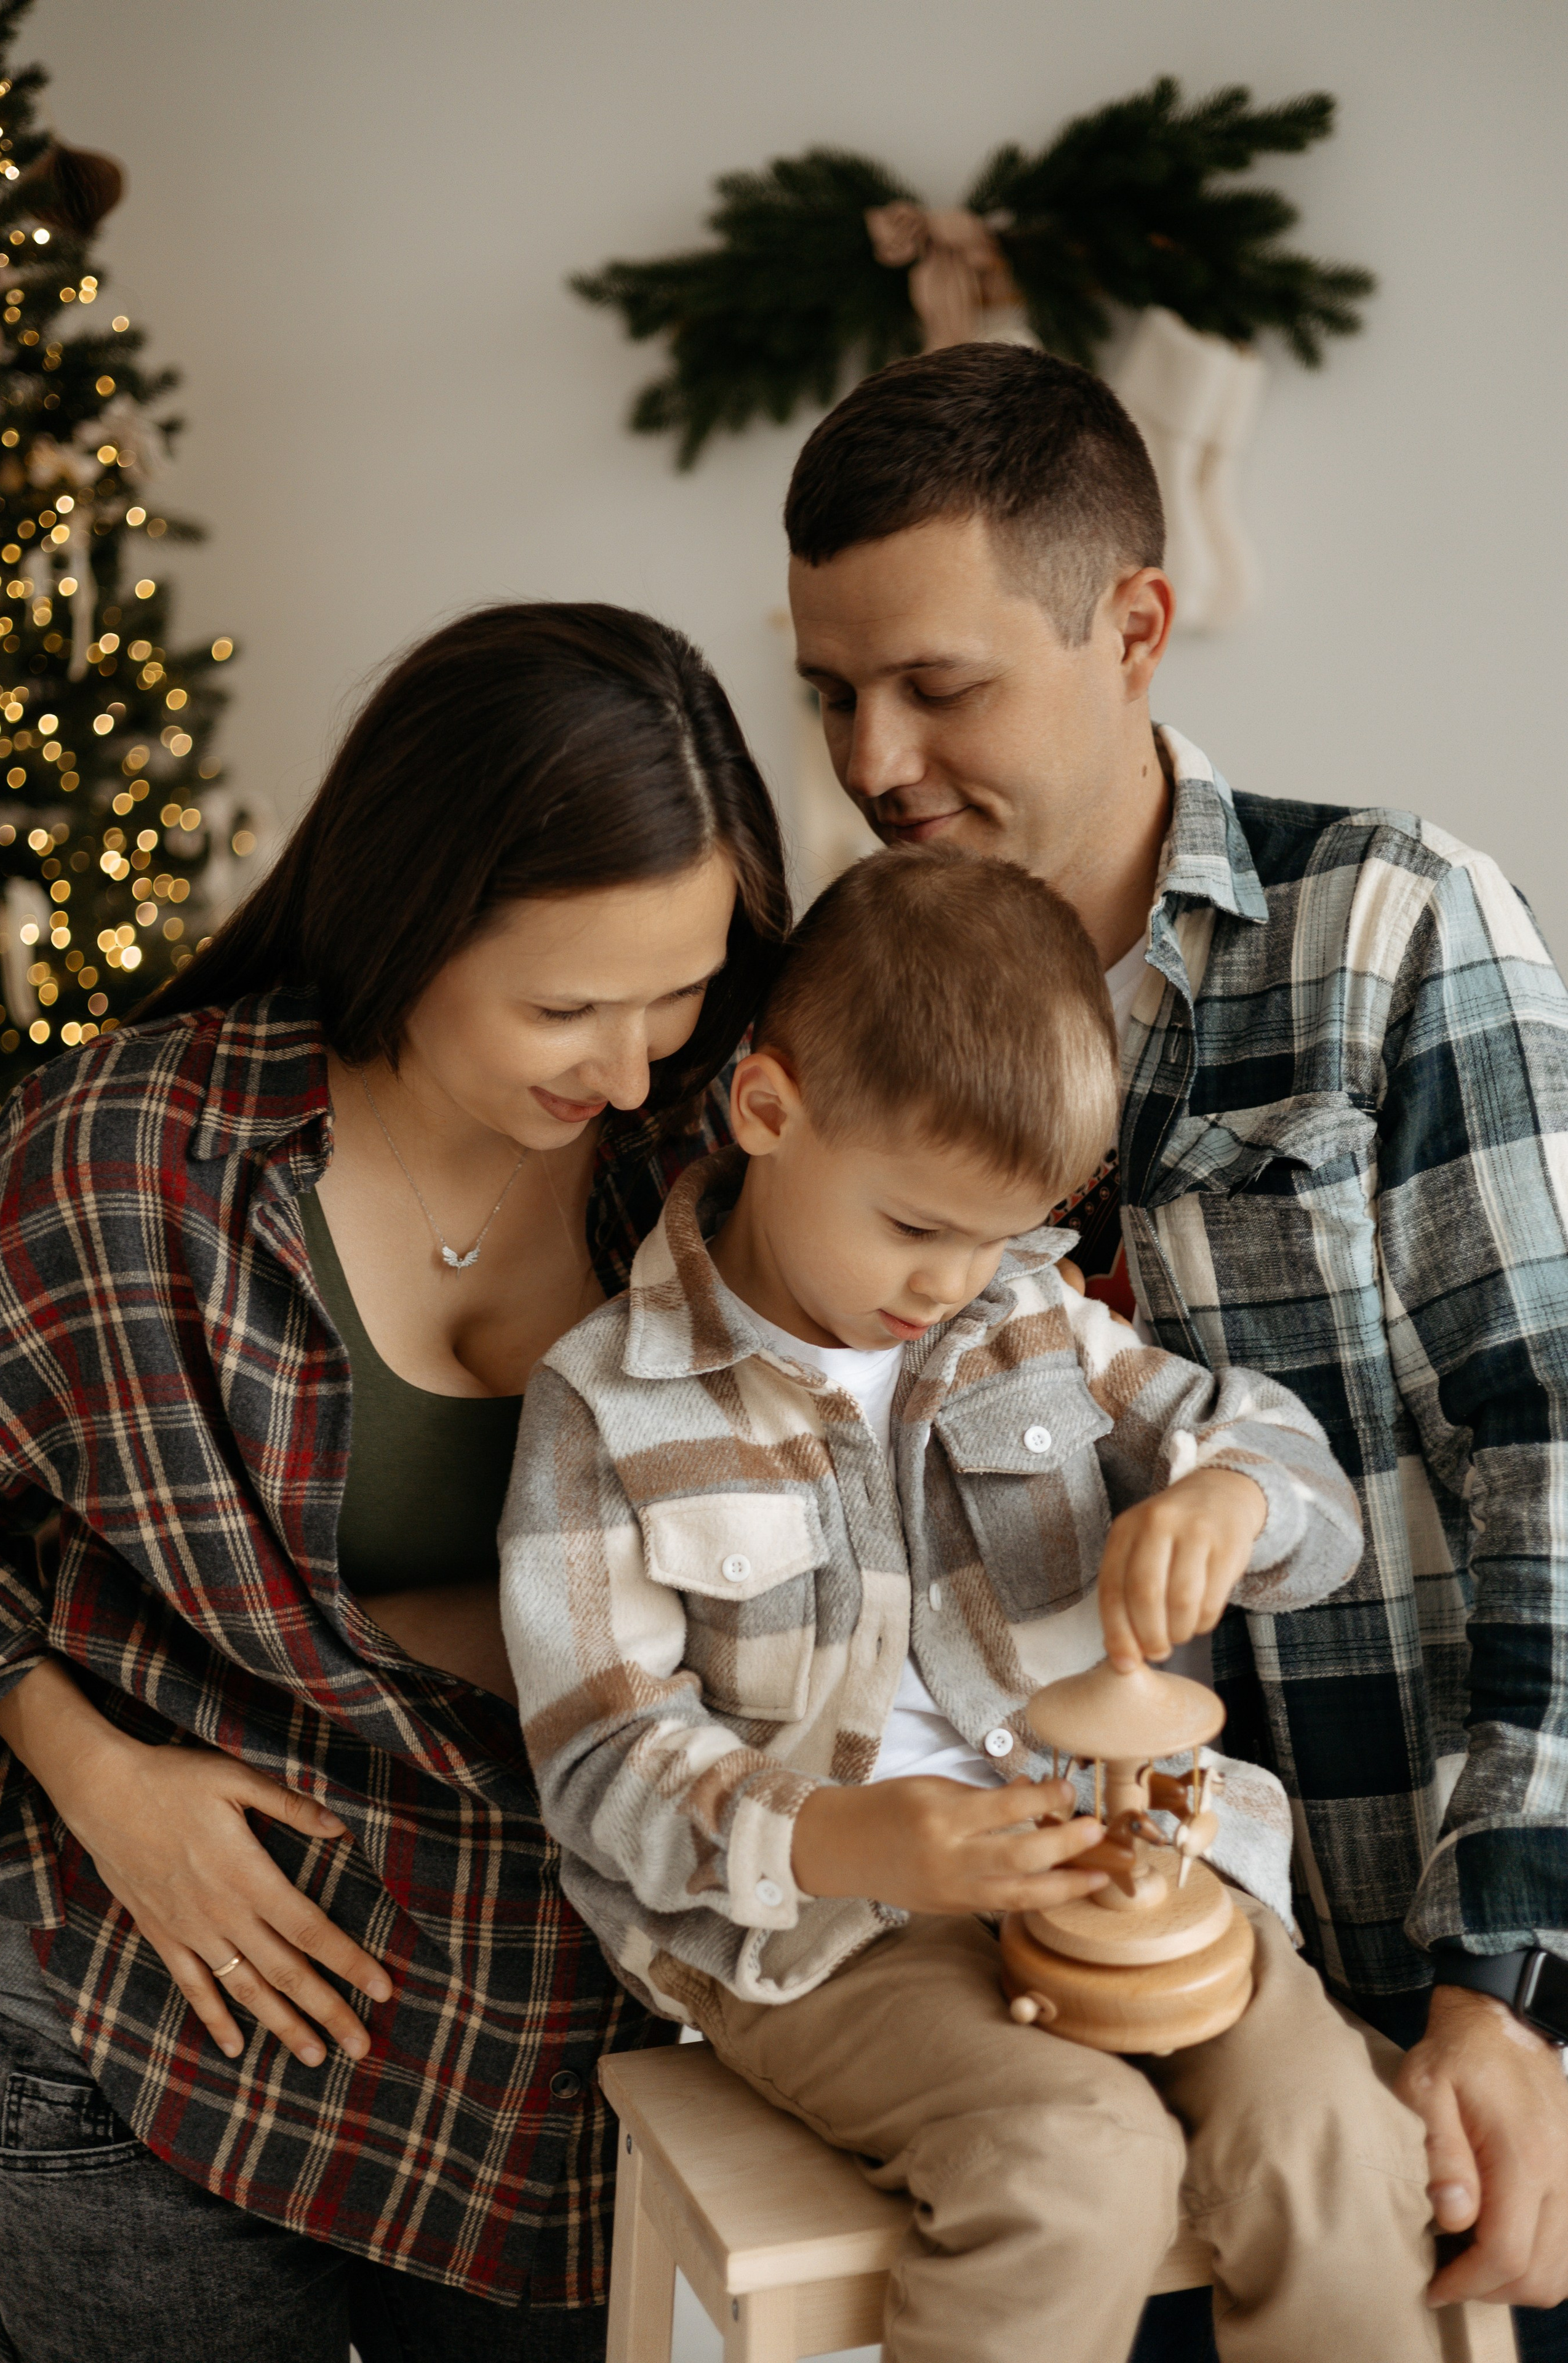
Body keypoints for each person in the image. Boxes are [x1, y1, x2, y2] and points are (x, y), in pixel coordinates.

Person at [781, 340, 1568, 2350]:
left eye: (938, 687)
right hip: (1038, 2030)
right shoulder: (831, 1021)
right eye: (832, 692)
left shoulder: (1392, 926)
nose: (872, 762)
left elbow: (1551, 1447)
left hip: (1411, 2007)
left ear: (1134, 626)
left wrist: (1510, 1988)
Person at [500, 844, 1441, 2363]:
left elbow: (1285, 1464)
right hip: (826, 1933)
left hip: (1116, 1860)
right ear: (765, 1111)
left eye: (998, 1234)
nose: (950, 1283)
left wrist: (1230, 1497)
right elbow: (600, 1763)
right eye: (914, 1227)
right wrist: (848, 1834)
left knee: (1332, 2137)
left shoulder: (1033, 1321)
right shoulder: (604, 1407)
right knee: (1075, 2167)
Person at [0, 602, 789, 2362]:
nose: (631, 1066)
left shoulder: (716, 1158)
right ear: (410, 916)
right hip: (157, 2016)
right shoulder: (132, 1162)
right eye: (566, 1006)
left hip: (563, 2038)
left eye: (681, 991)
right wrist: (104, 1778)